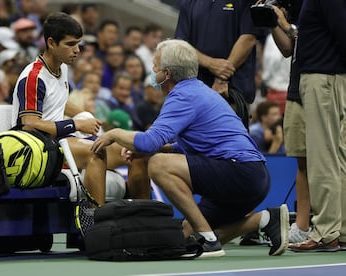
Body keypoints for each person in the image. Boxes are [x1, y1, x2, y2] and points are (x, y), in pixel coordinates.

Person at [91, 39, 289, 257]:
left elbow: (150, 141)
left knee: (157, 165)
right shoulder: (199, 91)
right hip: (253, 177)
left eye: (155, 67)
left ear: (167, 74)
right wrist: (157, 149)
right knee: (187, 234)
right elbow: (189, 147)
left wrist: (114, 134)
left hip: (240, 172)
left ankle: (208, 240)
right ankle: (265, 219)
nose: (152, 72)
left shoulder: (183, 95)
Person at [11, 12, 149, 205]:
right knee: (95, 152)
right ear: (51, 43)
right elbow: (29, 124)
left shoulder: (62, 67)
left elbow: (59, 101)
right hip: (38, 149)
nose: (77, 50)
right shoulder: (34, 77)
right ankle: (97, 223)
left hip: (61, 141)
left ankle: (144, 218)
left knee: (137, 150)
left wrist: (87, 118)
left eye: (78, 44)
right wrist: (75, 124)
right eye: (70, 44)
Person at [288, 0, 346, 252]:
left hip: (323, 78)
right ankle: (340, 229)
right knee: (335, 157)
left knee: (323, 158)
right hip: (325, 76)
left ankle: (326, 232)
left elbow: (342, 32)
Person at [268, 4, 312, 244]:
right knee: (302, 160)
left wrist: (287, 25)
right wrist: (274, 23)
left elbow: (312, 40)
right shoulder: (295, 5)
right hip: (297, 89)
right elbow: (289, 49)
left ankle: (334, 223)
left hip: (325, 84)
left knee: (332, 160)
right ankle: (303, 225)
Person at [174, 0, 260, 104]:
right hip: (195, 92)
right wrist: (210, 63)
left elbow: (248, 39)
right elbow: (181, 45)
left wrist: (221, 78)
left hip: (231, 92)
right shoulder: (189, 2)